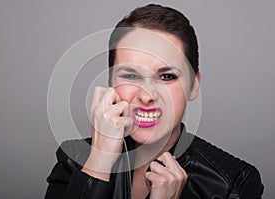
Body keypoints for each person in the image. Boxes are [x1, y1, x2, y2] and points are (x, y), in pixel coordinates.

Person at [45, 4, 264, 199]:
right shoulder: (74, 159)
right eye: (130, 76)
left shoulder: (234, 184)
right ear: (111, 82)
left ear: (194, 85)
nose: (147, 96)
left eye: (166, 76)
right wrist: (98, 163)